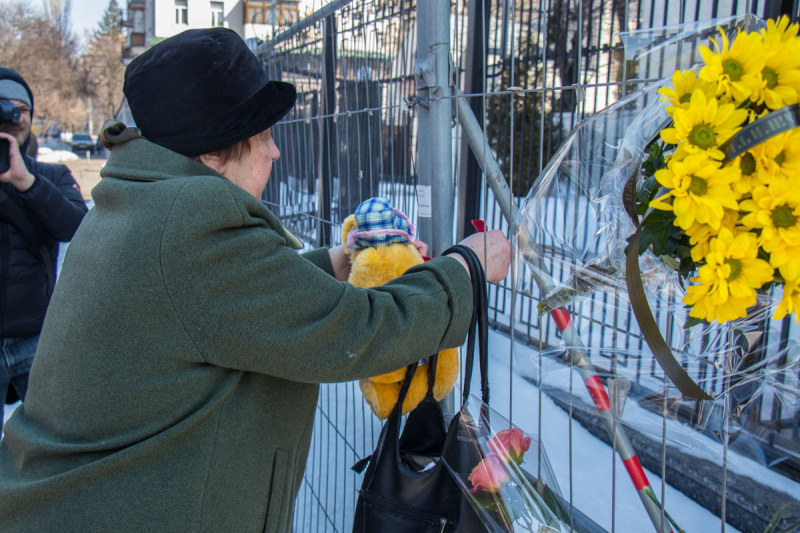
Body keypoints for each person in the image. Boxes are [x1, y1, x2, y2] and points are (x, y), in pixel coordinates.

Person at [0, 28, 510, 532]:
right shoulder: (191, 219)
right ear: (210, 151)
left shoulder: (140, 200)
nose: (275, 153)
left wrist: (339, 259)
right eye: (262, 136)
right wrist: (464, 270)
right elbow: (352, 333)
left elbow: (226, 301)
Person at [0, 67, 88, 431]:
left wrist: (26, 182)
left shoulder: (52, 176)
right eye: (5, 107)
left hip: (35, 338)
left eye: (22, 110)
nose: (14, 118)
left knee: (55, 445)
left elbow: (78, 228)